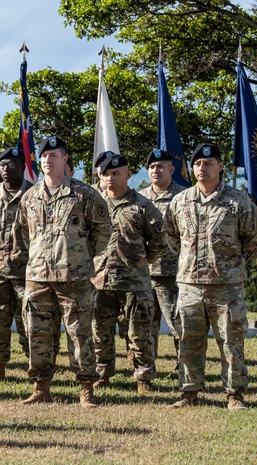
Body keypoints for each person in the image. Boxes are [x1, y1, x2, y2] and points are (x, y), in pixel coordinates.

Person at [164, 143, 257, 410]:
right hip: (190, 285)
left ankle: (234, 395)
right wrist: (190, 262)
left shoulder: (238, 202)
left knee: (231, 342)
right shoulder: (180, 201)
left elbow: (254, 239)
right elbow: (172, 237)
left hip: (226, 286)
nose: (202, 168)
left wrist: (232, 265)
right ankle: (189, 393)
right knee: (188, 341)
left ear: (220, 166)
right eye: (197, 164)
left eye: (208, 163)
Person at [17, 136, 111, 408]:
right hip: (38, 277)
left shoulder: (84, 195)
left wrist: (81, 256)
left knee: (79, 334)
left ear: (65, 159)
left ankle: (86, 390)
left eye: (53, 155)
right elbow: (25, 232)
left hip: (74, 277)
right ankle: (41, 387)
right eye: (43, 156)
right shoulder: (30, 196)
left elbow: (103, 231)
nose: (47, 160)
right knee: (38, 334)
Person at [91, 151, 167, 393]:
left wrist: (139, 263)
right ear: (100, 178)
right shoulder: (93, 204)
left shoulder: (143, 206)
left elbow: (159, 243)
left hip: (135, 282)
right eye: (106, 174)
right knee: (99, 331)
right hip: (99, 280)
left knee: (139, 332)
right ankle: (102, 373)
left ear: (128, 175)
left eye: (116, 173)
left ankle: (143, 378)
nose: (110, 178)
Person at [0, 147, 33, 384]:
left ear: (23, 167)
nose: (6, 169)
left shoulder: (35, 194)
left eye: (12, 164)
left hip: (28, 269)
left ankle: (36, 369)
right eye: (2, 165)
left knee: (31, 322)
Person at [138, 149, 187, 370]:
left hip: (173, 273)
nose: (156, 170)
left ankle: (185, 367)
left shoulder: (184, 197)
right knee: (145, 325)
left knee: (179, 323)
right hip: (143, 273)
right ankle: (147, 367)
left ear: (171, 169)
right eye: (152, 167)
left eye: (160, 166)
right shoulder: (139, 198)